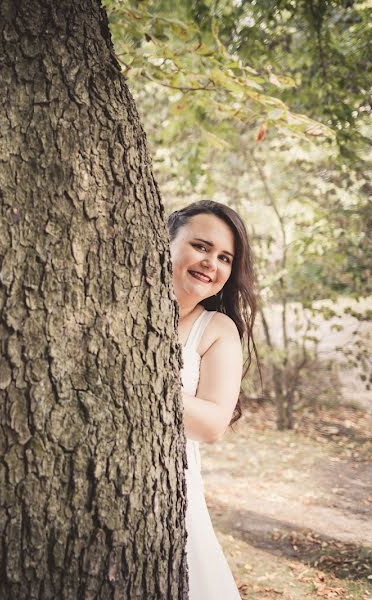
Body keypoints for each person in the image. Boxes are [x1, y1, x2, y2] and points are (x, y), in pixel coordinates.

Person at [168, 200, 257, 600]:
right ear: (166, 242)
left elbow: (212, 423)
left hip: (171, 488)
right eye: (201, 247)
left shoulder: (216, 329)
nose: (211, 263)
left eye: (224, 257)